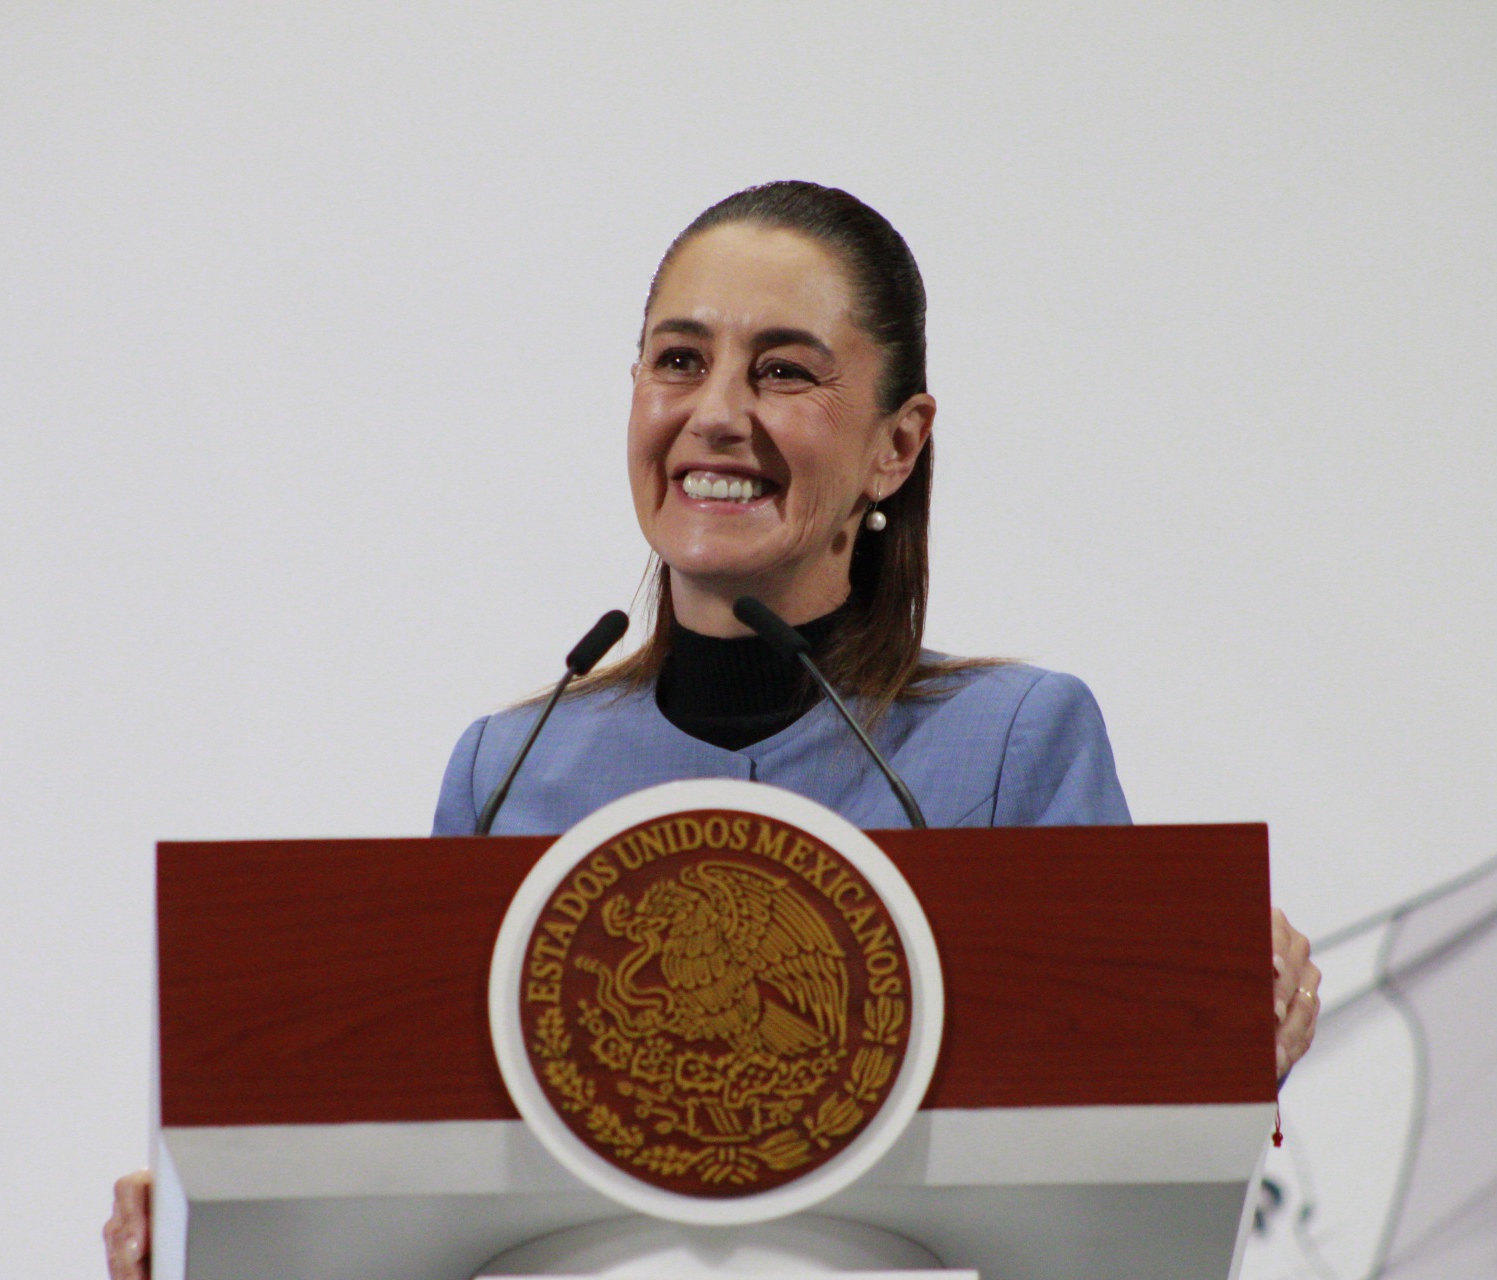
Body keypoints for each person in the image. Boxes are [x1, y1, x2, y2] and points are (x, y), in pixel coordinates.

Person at [103, 181, 1320, 1276]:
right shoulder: (510, 769)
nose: (717, 413)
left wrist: (1220, 1030)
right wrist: (224, 1226)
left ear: (897, 444)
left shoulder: (1012, 742)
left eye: (783, 371)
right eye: (679, 360)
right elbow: (418, 1166)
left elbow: (1116, 1138)